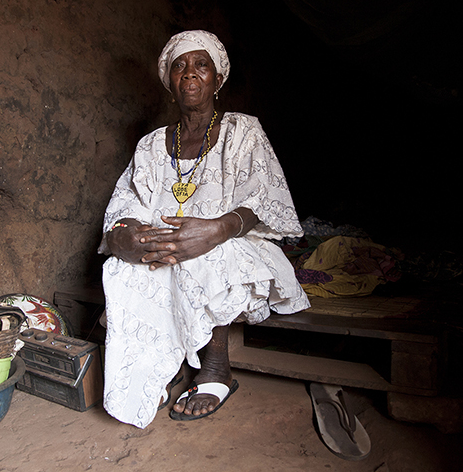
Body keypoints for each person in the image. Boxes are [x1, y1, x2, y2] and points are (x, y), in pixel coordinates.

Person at [98, 30, 309, 428]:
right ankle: (158, 368)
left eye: (201, 65)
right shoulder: (149, 146)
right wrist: (124, 233)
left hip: (233, 242)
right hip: (166, 244)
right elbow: (124, 205)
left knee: (207, 257)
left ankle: (215, 369)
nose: (190, 74)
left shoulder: (242, 131)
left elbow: (267, 200)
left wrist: (216, 229)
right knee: (129, 266)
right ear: (169, 81)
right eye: (179, 66)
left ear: (217, 78)